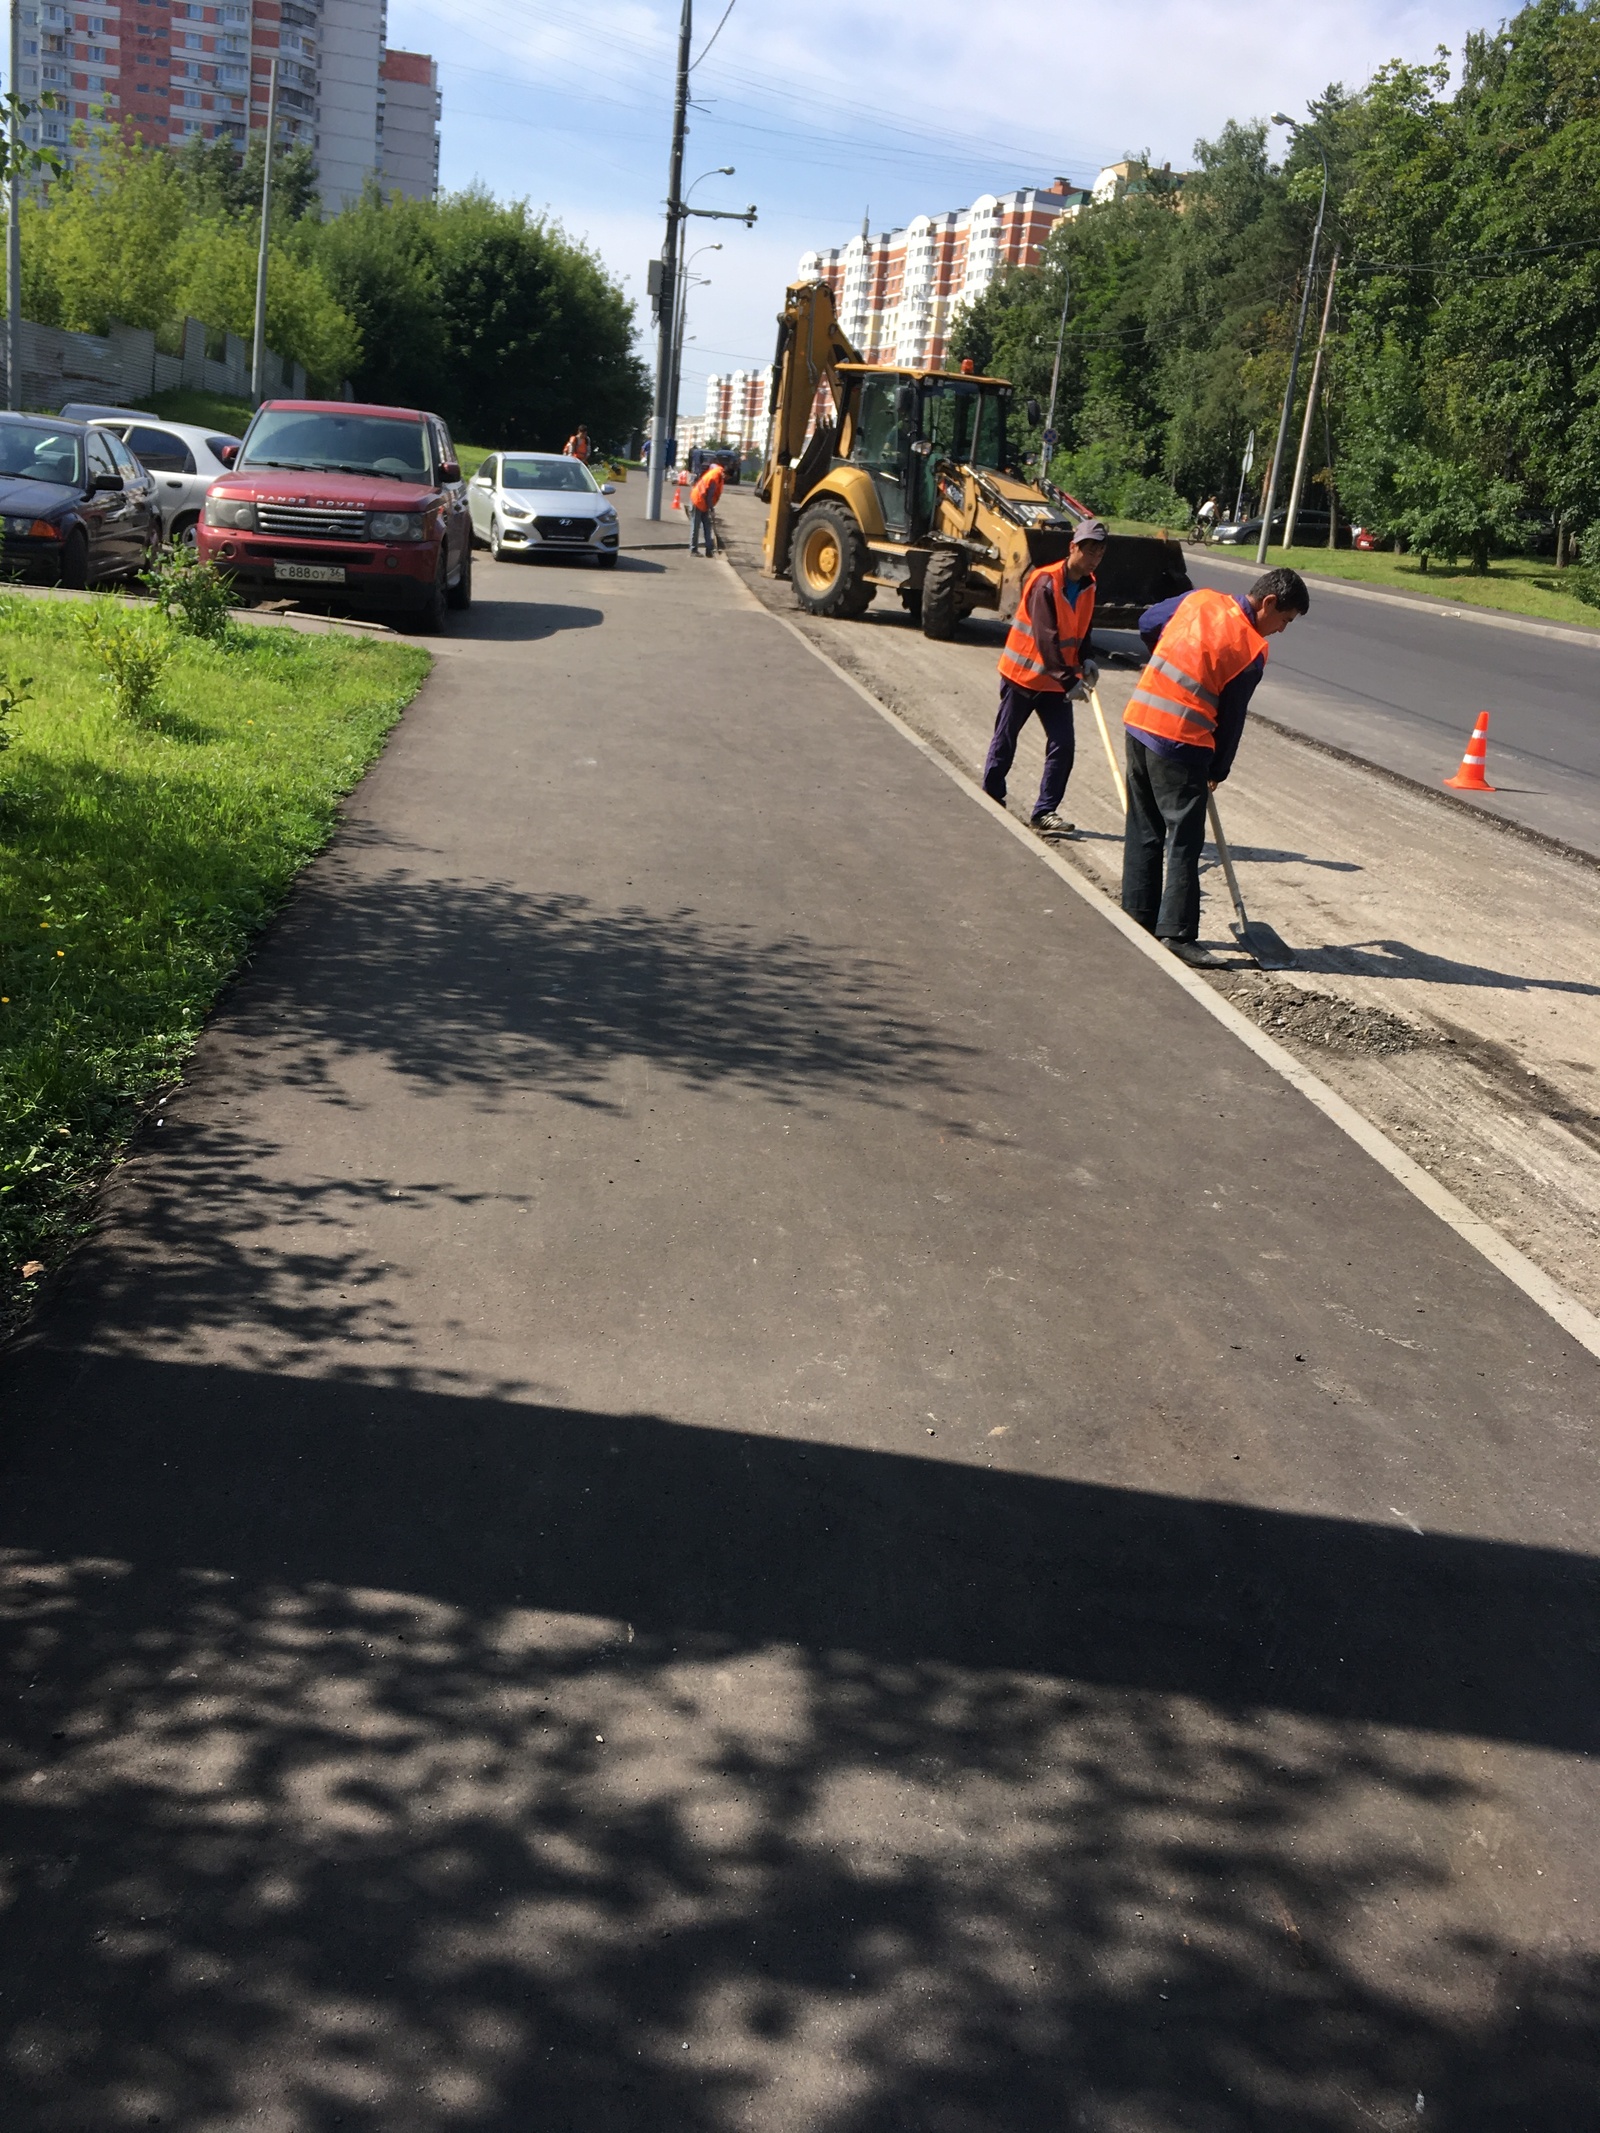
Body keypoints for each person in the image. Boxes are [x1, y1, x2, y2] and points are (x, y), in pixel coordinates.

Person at [1120, 567, 1309, 965]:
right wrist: (1217, 770)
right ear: (1269, 603)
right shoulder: (1250, 648)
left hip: (1139, 723)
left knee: (1144, 827)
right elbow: (1231, 718)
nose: (1281, 630)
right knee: (1184, 838)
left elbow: (1147, 621)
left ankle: (1136, 916)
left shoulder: (1199, 599)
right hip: (1180, 740)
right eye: (1284, 620)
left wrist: (1169, 655)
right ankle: (1177, 933)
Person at [981, 517, 1107, 837]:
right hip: (1023, 677)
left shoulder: (1089, 585)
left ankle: (1045, 812)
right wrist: (1070, 680)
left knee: (1063, 745)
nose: (1093, 558)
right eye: (1088, 550)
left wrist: (1087, 657)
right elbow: (1046, 638)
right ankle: (991, 796)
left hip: (1055, 684)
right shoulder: (1045, 582)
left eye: (1099, 553)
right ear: (1072, 548)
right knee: (1005, 740)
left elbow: (1083, 628)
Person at [689, 457, 725, 555]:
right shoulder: (714, 477)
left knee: (707, 526)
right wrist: (711, 509)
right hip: (697, 501)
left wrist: (710, 507)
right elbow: (709, 496)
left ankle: (709, 549)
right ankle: (693, 550)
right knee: (695, 526)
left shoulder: (717, 475)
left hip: (703, 502)